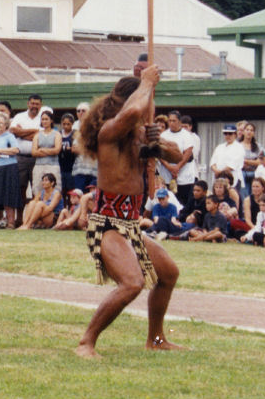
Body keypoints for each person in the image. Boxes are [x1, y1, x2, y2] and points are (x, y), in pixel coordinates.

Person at [75, 65, 185, 358]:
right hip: (106, 225)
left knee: (168, 273)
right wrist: (147, 82)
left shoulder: (139, 135)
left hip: (130, 225)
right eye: (144, 102)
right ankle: (86, 342)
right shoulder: (109, 131)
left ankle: (156, 339)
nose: (147, 110)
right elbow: (132, 113)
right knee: (132, 283)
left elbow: (178, 155)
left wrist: (157, 143)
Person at [159, 110, 199, 207]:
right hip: (167, 173)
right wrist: (169, 167)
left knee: (184, 201)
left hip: (184, 173)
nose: (171, 123)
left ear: (179, 122)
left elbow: (188, 153)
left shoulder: (187, 135)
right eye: (170, 121)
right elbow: (159, 154)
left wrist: (177, 167)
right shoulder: (163, 135)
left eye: (174, 121)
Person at [209, 123, 246, 191]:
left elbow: (233, 165)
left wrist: (220, 173)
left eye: (230, 134)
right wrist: (216, 171)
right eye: (226, 133)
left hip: (233, 179)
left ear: (235, 134)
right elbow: (212, 162)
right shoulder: (219, 147)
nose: (228, 136)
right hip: (218, 180)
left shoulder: (239, 147)